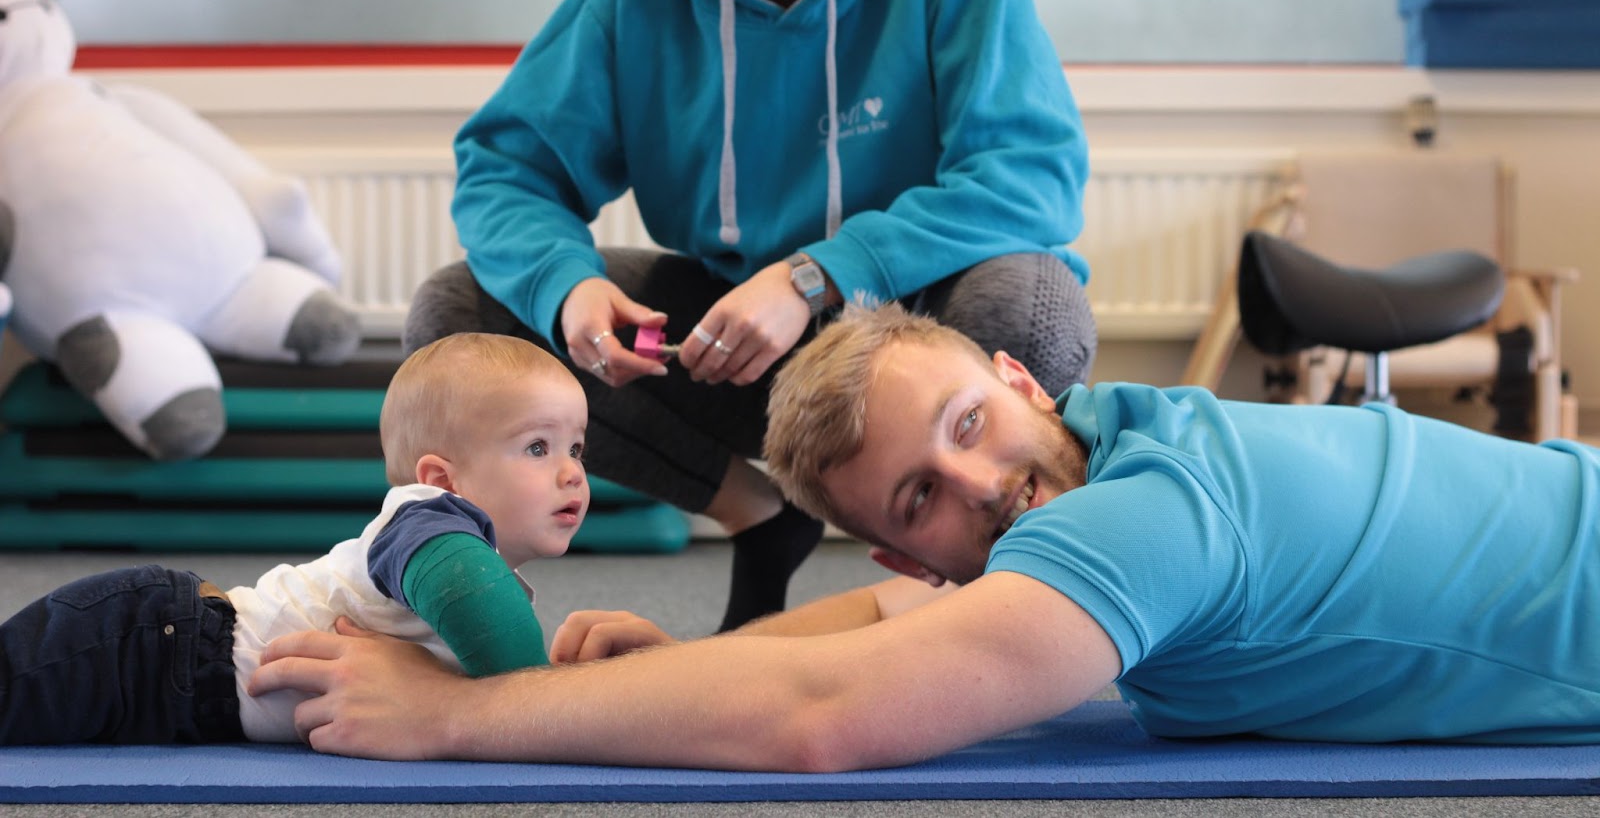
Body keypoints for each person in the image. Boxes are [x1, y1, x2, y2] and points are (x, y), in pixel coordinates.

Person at [250, 302, 1600, 769]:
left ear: (1022, 380)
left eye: (969, 418)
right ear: (913, 554)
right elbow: (862, 635)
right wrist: (630, 685)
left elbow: (828, 714)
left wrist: (459, 717)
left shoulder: (1147, 516)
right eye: (919, 498)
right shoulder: (1137, 440)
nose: (983, 480)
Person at [404, 0, 1097, 632]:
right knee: (461, 314)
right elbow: (508, 164)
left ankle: (970, 599)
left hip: (927, 321)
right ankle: (761, 516)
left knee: (1033, 306)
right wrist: (567, 288)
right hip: (744, 346)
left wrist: (818, 274)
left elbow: (1029, 174)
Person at [0, 332, 589, 745]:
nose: (572, 473)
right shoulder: (426, 521)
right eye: (538, 447)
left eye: (576, 448)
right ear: (442, 480)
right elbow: (475, 600)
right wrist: (545, 702)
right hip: (147, 647)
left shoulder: (469, 555)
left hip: (183, 687)